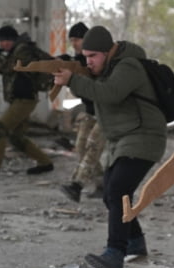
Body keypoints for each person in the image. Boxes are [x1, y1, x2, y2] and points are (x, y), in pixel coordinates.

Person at [53, 26, 167, 268]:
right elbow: (94, 104)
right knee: (110, 194)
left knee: (117, 189)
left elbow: (110, 94)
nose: (88, 61)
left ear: (107, 52)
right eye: (85, 57)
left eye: (92, 56)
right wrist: (74, 76)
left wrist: (73, 79)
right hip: (124, 139)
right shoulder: (105, 70)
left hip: (144, 137)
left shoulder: (128, 66)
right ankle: (135, 242)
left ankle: (115, 253)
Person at [0, 25, 53, 180]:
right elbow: (4, 68)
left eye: (4, 41)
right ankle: (45, 162)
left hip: (25, 99)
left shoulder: (22, 50)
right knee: (16, 137)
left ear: (11, 40)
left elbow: (6, 67)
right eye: (0, 41)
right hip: (21, 99)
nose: (2, 44)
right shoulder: (16, 50)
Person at [58, 22, 106, 201]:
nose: (74, 44)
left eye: (77, 39)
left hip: (107, 112)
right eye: (71, 40)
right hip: (90, 111)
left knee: (93, 147)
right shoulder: (77, 62)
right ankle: (102, 184)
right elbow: (80, 91)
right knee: (81, 147)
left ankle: (76, 185)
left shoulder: (98, 60)